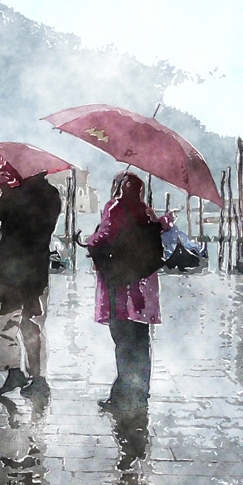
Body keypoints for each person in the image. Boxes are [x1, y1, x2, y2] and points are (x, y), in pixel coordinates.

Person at [83, 171, 175, 411]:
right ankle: (140, 392)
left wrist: (87, 240)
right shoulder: (146, 212)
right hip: (144, 286)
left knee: (123, 341)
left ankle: (123, 395)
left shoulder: (114, 206)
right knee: (140, 341)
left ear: (118, 187)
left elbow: (104, 237)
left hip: (121, 285)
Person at [0, 166, 62, 398]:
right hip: (38, 272)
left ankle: (14, 370)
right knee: (33, 324)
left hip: (11, 272)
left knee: (1, 321)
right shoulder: (53, 194)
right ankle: (39, 378)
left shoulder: (13, 194)